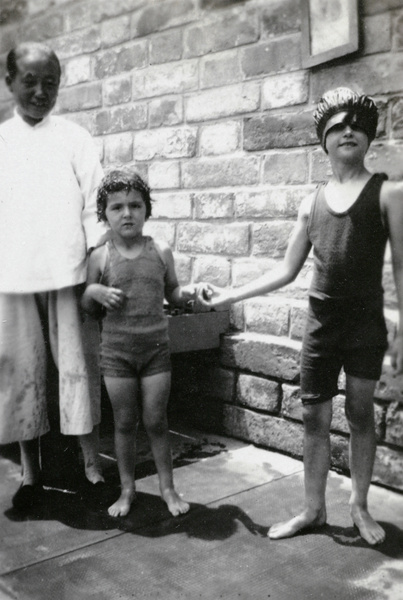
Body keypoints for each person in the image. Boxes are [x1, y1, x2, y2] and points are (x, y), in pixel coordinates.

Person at [200, 87, 403, 545]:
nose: (347, 129)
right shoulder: (311, 202)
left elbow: (401, 266)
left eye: (356, 123)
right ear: (324, 140)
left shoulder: (389, 192)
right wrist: (228, 295)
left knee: (359, 412)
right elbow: (285, 269)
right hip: (321, 327)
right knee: (313, 416)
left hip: (365, 327)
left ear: (369, 136)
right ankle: (313, 509)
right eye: (337, 124)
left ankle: (359, 506)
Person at [0, 42, 106, 510]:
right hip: (12, 274)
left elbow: (94, 207)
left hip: (68, 271)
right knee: (19, 371)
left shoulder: (76, 139)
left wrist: (92, 263)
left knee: (77, 366)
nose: (41, 91)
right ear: (9, 84)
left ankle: (91, 466)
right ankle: (30, 474)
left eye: (51, 83)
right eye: (30, 81)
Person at [82, 169, 207, 518]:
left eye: (135, 205)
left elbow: (174, 293)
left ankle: (167, 488)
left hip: (155, 352)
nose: (127, 213)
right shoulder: (100, 257)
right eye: (117, 207)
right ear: (104, 214)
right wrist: (95, 291)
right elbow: (86, 305)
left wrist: (192, 293)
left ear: (147, 210)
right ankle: (127, 489)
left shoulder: (160, 250)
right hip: (117, 355)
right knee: (124, 422)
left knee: (155, 420)